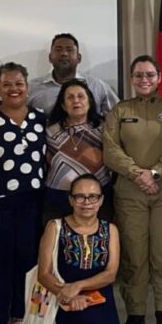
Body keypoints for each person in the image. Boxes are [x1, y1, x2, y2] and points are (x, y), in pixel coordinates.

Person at [103, 55, 162, 324]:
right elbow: (110, 149)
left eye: (149, 74)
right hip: (129, 192)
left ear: (159, 78)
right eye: (138, 75)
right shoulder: (120, 110)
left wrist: (157, 172)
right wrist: (138, 174)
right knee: (133, 255)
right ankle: (135, 315)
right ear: (131, 79)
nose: (144, 79)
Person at [0, 62, 47, 324]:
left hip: (34, 202)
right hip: (0, 203)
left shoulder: (40, 118)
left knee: (27, 260)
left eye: (19, 83)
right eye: (7, 84)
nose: (14, 89)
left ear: (27, 86)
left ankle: (20, 314)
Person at [35, 173, 122, 324]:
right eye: (80, 196)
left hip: (99, 297)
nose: (87, 202)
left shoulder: (111, 230)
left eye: (93, 197)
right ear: (71, 200)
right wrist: (68, 295)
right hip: (61, 299)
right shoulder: (55, 227)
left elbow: (110, 274)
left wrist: (79, 287)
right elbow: (43, 274)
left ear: (101, 200)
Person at [44, 79, 112, 222]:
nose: (76, 101)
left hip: (96, 197)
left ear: (90, 102)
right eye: (70, 97)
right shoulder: (49, 130)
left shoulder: (104, 128)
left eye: (81, 96)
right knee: (57, 234)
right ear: (63, 105)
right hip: (58, 196)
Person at [28, 33, 119, 116]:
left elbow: (118, 115)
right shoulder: (32, 88)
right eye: (58, 50)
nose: (64, 54)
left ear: (79, 58)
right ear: (50, 57)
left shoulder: (97, 86)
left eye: (69, 50)